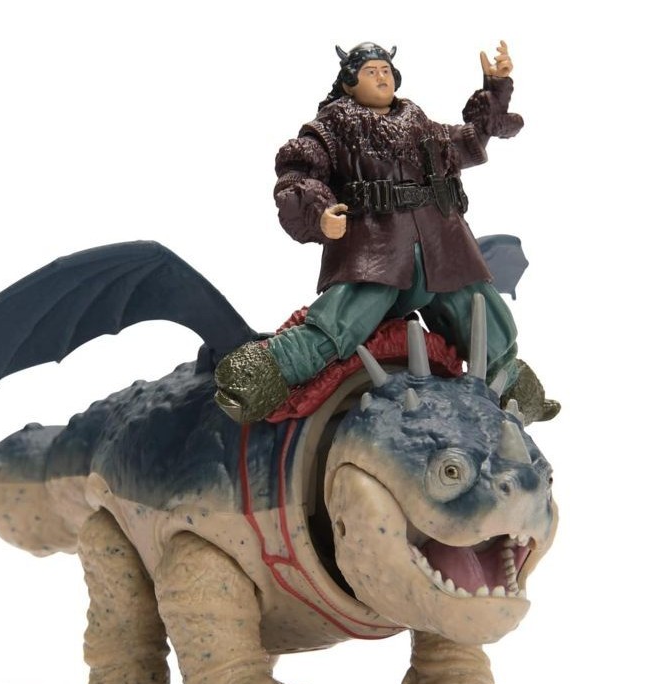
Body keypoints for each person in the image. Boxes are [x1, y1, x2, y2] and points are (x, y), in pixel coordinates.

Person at [214, 41, 559, 424]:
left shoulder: (419, 122)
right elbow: (296, 175)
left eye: (385, 70)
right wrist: (320, 211)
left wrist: (495, 87)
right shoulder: (332, 128)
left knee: (483, 316)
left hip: (443, 249)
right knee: (339, 325)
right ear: (349, 84)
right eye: (370, 71)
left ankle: (517, 393)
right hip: (376, 255)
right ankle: (262, 375)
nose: (381, 77)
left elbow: (471, 139)